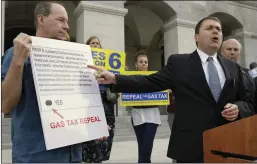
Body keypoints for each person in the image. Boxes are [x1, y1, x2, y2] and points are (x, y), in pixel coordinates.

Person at [87, 16, 254, 163]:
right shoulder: (179, 63)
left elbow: (248, 100)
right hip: (191, 146)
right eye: (209, 28)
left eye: (218, 29)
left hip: (226, 145)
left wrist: (238, 108)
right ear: (196, 37)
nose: (215, 32)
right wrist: (115, 78)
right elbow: (149, 81)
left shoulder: (233, 68)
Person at [1, 1, 83, 163]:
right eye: (60, 20)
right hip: (37, 155)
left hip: (73, 153)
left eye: (67, 21)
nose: (66, 26)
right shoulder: (17, 52)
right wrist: (18, 60)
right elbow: (5, 104)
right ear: (41, 19)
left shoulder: (72, 57)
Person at [82, 36, 118, 163]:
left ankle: (100, 159)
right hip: (89, 101)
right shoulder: (83, 62)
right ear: (88, 46)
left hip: (106, 101)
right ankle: (90, 158)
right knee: (90, 133)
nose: (96, 45)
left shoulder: (108, 63)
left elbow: (115, 82)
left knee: (105, 132)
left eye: (97, 43)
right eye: (93, 43)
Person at [130, 50, 161, 163]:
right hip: (137, 114)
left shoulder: (155, 77)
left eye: (146, 62)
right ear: (136, 64)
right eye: (141, 62)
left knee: (147, 146)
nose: (143, 64)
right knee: (142, 146)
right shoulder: (131, 78)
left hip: (152, 114)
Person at [221, 38, 256, 114]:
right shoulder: (215, 71)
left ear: (239, 53)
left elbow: (251, 99)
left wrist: (239, 107)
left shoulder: (248, 73)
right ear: (222, 52)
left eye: (236, 50)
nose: (232, 52)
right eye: (229, 49)